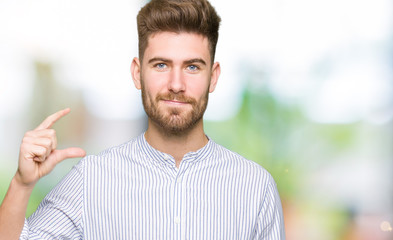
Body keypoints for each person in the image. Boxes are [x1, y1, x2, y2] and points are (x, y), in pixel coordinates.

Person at [0, 0, 285, 239]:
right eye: (161, 65)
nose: (176, 84)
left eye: (192, 67)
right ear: (138, 73)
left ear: (214, 76)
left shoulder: (255, 187)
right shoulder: (91, 180)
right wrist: (21, 184)